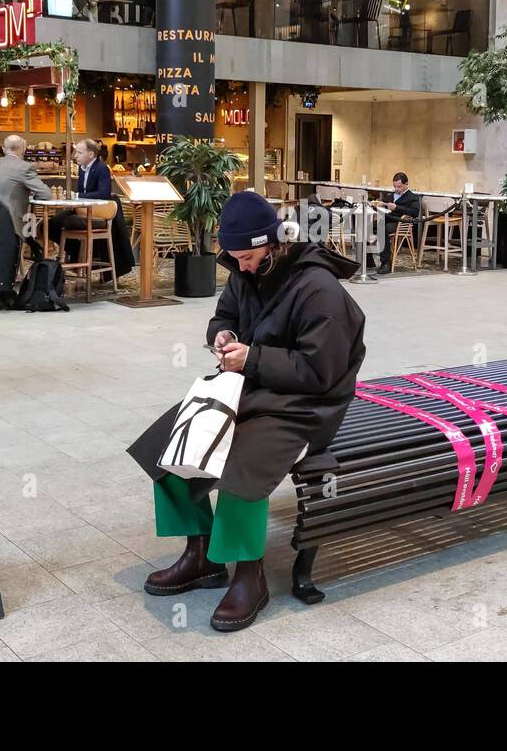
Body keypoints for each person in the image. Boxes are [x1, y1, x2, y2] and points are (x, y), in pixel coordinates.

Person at [127, 192, 366, 632]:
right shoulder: (243, 270)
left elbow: (321, 371)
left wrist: (252, 358)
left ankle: (248, 576)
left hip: (307, 405)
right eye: (236, 259)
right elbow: (222, 316)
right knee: (172, 444)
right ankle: (200, 555)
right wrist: (223, 336)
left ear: (275, 243)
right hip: (250, 390)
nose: (244, 267)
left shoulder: (319, 289)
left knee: (241, 464)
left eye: (251, 257)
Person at [45, 138, 134, 279]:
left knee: (67, 222)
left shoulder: (101, 168)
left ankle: (81, 258)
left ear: (91, 154)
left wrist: (77, 195)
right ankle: (76, 253)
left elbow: (103, 193)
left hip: (98, 213)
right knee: (51, 224)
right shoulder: (82, 169)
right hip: (83, 210)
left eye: (80, 153)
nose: (76, 156)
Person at [0, 134, 54, 241]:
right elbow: (46, 194)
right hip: (10, 224)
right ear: (23, 149)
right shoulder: (25, 167)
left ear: (4, 149)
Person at [369, 172, 421, 274]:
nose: (396, 189)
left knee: (381, 229)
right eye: (395, 186)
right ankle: (368, 261)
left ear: (406, 184)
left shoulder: (412, 197)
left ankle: (385, 263)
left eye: (399, 186)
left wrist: (397, 207)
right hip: (386, 219)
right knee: (365, 227)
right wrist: (379, 204)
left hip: (399, 222)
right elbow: (384, 204)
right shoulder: (391, 195)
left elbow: (415, 212)